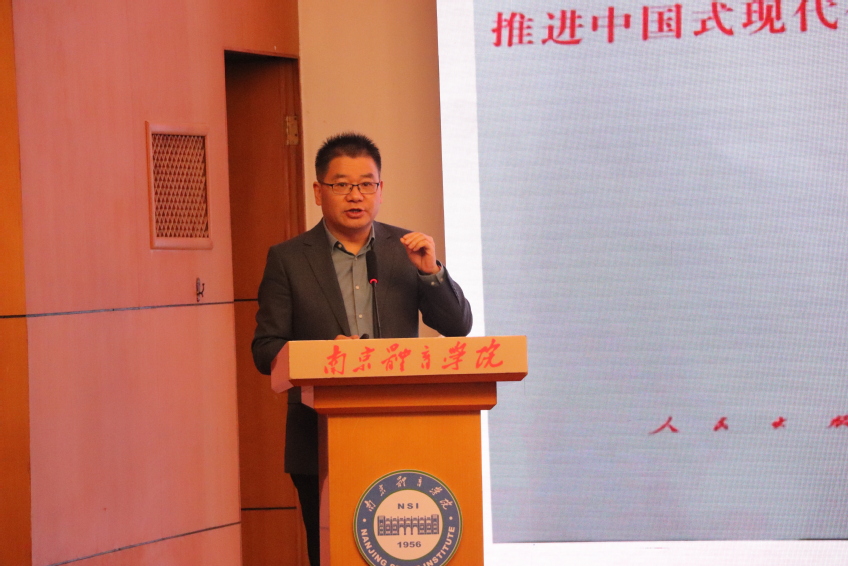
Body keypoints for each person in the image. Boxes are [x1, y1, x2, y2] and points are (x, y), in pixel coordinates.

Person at [251, 132, 473, 565]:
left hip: (403, 428)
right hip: (319, 437)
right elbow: (265, 349)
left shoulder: (408, 250)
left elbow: (457, 326)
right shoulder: (288, 259)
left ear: (380, 189)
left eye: (366, 184)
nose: (356, 196)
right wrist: (324, 353)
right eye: (342, 185)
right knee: (331, 552)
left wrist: (431, 272)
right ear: (319, 191)